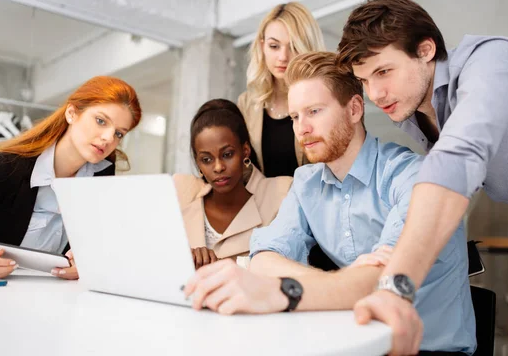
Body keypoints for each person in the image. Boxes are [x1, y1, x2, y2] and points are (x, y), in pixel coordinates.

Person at [184, 52, 476, 355]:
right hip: (359, 341)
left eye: (314, 111)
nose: (301, 129)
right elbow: (263, 258)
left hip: (427, 348)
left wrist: (283, 289)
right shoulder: (306, 183)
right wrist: (344, 281)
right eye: (296, 117)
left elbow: (385, 279)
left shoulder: (411, 175)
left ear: (353, 109)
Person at [336, 0, 508, 356]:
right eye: (364, 81)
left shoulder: (491, 60)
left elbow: (458, 161)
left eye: (383, 71)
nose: (374, 93)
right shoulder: (417, 116)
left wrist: (396, 287)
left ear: (425, 50)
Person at [0, 76, 141, 280]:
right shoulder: (9, 166)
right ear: (72, 113)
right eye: (100, 121)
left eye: (119, 133)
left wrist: (85, 264)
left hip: (56, 300)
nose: (108, 138)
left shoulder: (102, 174)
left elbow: (96, 246)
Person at [174, 99, 292, 270]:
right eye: (206, 159)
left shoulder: (282, 194)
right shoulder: (181, 194)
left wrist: (220, 264)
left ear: (245, 151)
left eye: (227, 154)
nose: (218, 167)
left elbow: (289, 265)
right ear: (198, 163)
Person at [238, 2, 326, 178]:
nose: (283, 57)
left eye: (293, 47)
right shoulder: (246, 104)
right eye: (274, 46)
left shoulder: (324, 99)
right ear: (262, 46)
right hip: (263, 204)